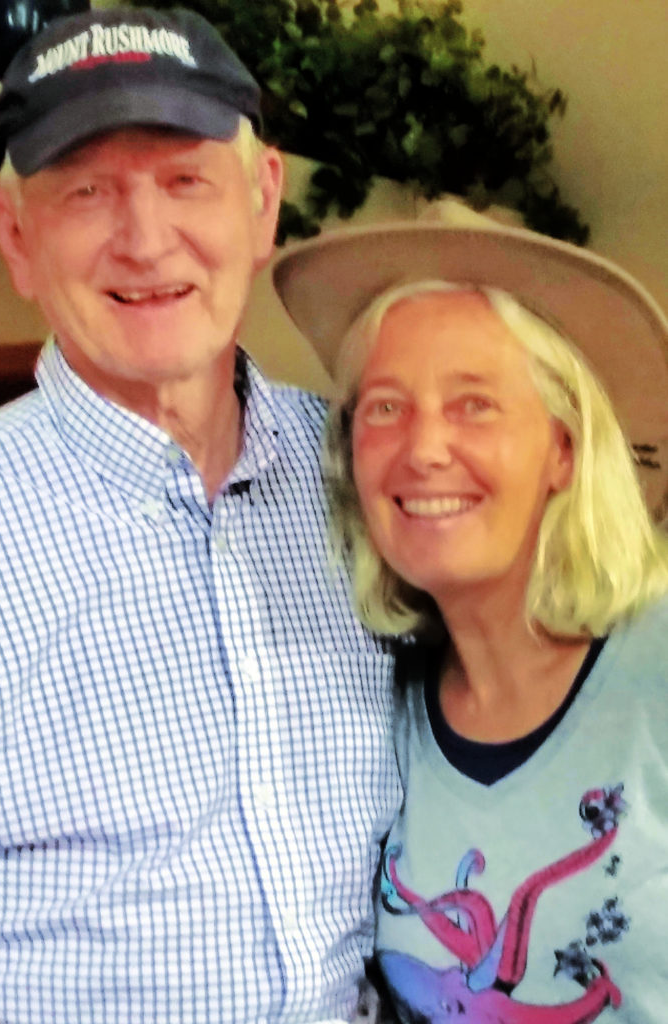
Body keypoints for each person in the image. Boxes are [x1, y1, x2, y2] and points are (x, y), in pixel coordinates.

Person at [0, 7, 402, 1023]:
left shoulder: (376, 477)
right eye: (86, 191)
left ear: (263, 200)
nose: (145, 241)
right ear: (15, 237)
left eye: (185, 180)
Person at [273, 202, 668, 1023]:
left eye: (473, 404)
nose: (422, 449)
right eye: (384, 406)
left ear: (563, 447)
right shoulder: (380, 708)